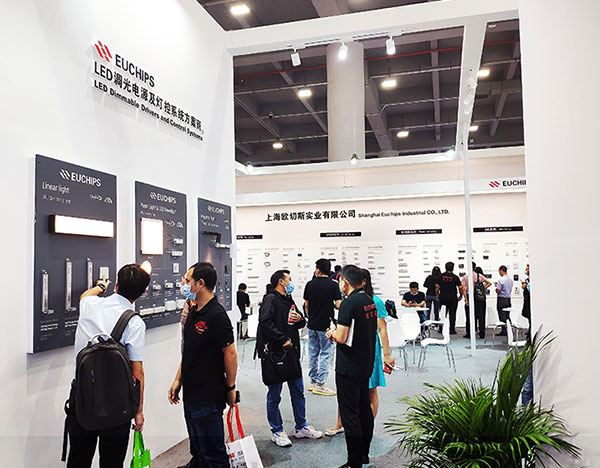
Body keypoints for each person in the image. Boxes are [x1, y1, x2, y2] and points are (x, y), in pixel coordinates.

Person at [68, 264, 150, 468]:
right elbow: (137, 372)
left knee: (78, 459)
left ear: (116, 285)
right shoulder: (134, 323)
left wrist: (100, 287)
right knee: (112, 462)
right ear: (143, 292)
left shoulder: (89, 304)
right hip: (118, 404)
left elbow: (85, 295)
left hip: (83, 398)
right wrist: (138, 411)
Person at [168, 262, 238, 468]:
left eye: (187, 280)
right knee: (197, 447)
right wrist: (178, 380)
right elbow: (189, 351)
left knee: (213, 453)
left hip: (208, 395)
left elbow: (230, 354)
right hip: (191, 393)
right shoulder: (193, 310)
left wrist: (231, 388)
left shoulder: (217, 315)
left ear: (200, 283)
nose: (183, 284)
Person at [325, 269, 395, 438]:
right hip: (354, 353)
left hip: (368, 351)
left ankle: (366, 427)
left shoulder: (373, 301)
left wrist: (386, 354)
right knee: (349, 395)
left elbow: (382, 329)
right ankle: (343, 424)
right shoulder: (354, 301)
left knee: (369, 391)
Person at [256, 269, 322, 447]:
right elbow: (265, 322)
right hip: (275, 354)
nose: (291, 283)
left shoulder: (289, 299)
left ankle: (301, 427)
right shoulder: (271, 299)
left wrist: (300, 318)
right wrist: (281, 339)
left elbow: (300, 322)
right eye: (289, 279)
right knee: (274, 395)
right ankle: (277, 430)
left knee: (298, 392)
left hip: (291, 354)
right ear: (281, 282)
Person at [326, 265, 378, 468]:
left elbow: (341, 337)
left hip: (348, 367)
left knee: (350, 415)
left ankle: (354, 461)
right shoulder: (368, 300)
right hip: (365, 363)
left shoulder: (348, 304)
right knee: (364, 408)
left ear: (345, 283)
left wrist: (331, 334)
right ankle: (364, 454)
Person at [303, 258, 342, 396]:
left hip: (312, 324)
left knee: (313, 354)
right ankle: (320, 384)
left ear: (318, 269)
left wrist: (310, 317)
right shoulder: (333, 285)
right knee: (326, 353)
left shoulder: (309, 284)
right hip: (326, 325)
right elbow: (338, 304)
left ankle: (313, 382)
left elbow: (306, 305)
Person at [462, 263, 492, 339]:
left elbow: (464, 289)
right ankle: (482, 333)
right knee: (481, 315)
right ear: (475, 268)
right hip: (479, 297)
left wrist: (466, 299)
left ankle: (469, 333)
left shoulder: (465, 277)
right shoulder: (479, 276)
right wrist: (483, 288)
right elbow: (489, 283)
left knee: (469, 316)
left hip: (469, 296)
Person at [436, 262, 464, 335]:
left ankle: (441, 329)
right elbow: (460, 287)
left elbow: (437, 287)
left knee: (443, 314)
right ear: (453, 268)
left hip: (443, 297)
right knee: (452, 314)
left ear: (445, 267)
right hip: (452, 298)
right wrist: (461, 295)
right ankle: (452, 329)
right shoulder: (455, 277)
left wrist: (437, 295)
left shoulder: (440, 276)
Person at [494, 265, 514, 336]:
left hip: (501, 299)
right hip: (508, 299)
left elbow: (498, 291)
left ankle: (504, 331)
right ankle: (509, 330)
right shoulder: (510, 280)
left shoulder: (501, 280)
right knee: (507, 315)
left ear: (501, 271)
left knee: (502, 315)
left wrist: (496, 287)